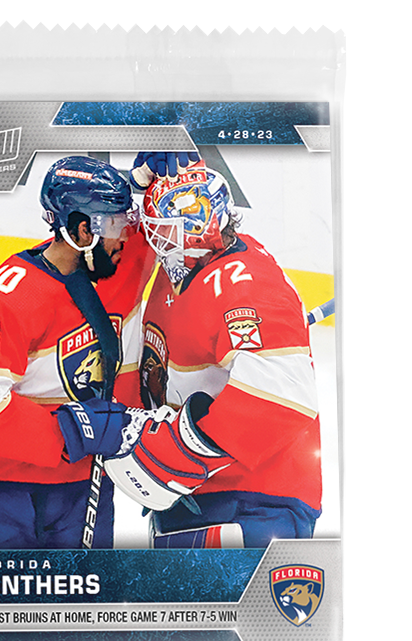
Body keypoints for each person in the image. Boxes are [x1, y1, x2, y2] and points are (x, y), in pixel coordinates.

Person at [105, 157, 323, 549]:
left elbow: (282, 397)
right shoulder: (187, 266)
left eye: (163, 230)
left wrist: (177, 454)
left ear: (195, 230)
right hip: (199, 496)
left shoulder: (245, 284)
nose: (153, 238)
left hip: (253, 503)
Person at [0, 155, 154, 550]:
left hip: (84, 488)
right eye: (116, 225)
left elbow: (176, 229)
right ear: (82, 230)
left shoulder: (119, 261)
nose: (127, 237)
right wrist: (74, 430)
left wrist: (145, 179)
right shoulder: (13, 296)